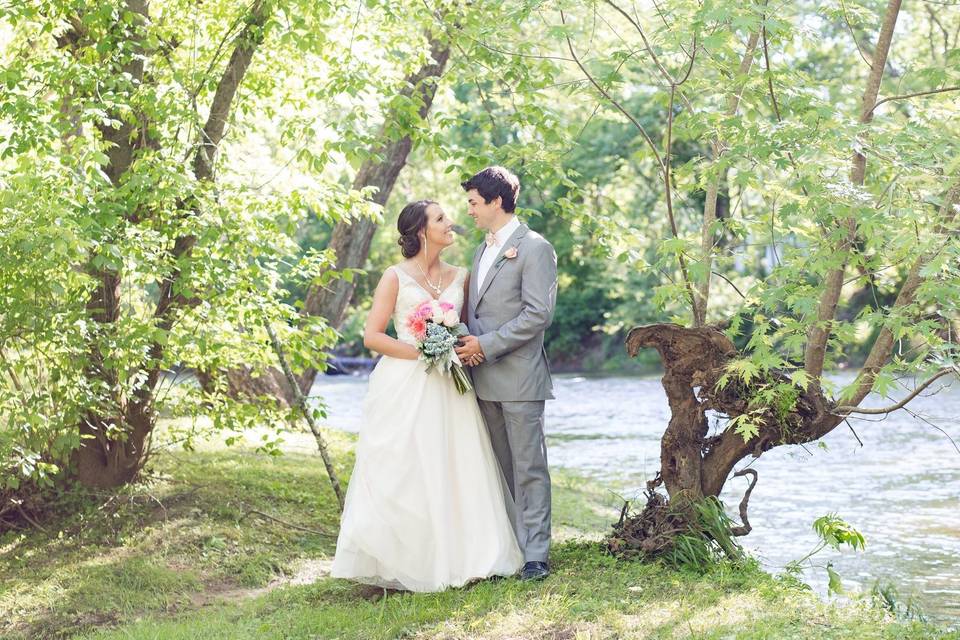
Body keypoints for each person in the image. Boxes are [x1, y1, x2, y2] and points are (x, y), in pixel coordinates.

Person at [330, 199, 522, 592]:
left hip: (451, 385)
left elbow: (466, 327)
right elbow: (373, 336)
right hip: (404, 383)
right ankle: (400, 560)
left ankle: (466, 558)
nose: (451, 223)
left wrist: (454, 345)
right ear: (421, 231)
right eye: (441, 219)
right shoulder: (395, 277)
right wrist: (427, 350)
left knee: (456, 464)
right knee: (405, 468)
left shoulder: (462, 275)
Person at [455, 166, 558, 581]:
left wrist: (488, 345)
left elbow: (538, 315)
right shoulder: (481, 250)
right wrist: (464, 341)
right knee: (499, 468)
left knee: (529, 468)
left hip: (518, 377)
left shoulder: (535, 248)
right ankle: (510, 549)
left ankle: (536, 556)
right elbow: (473, 311)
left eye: (474, 203)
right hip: (482, 379)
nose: (469, 211)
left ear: (497, 201)